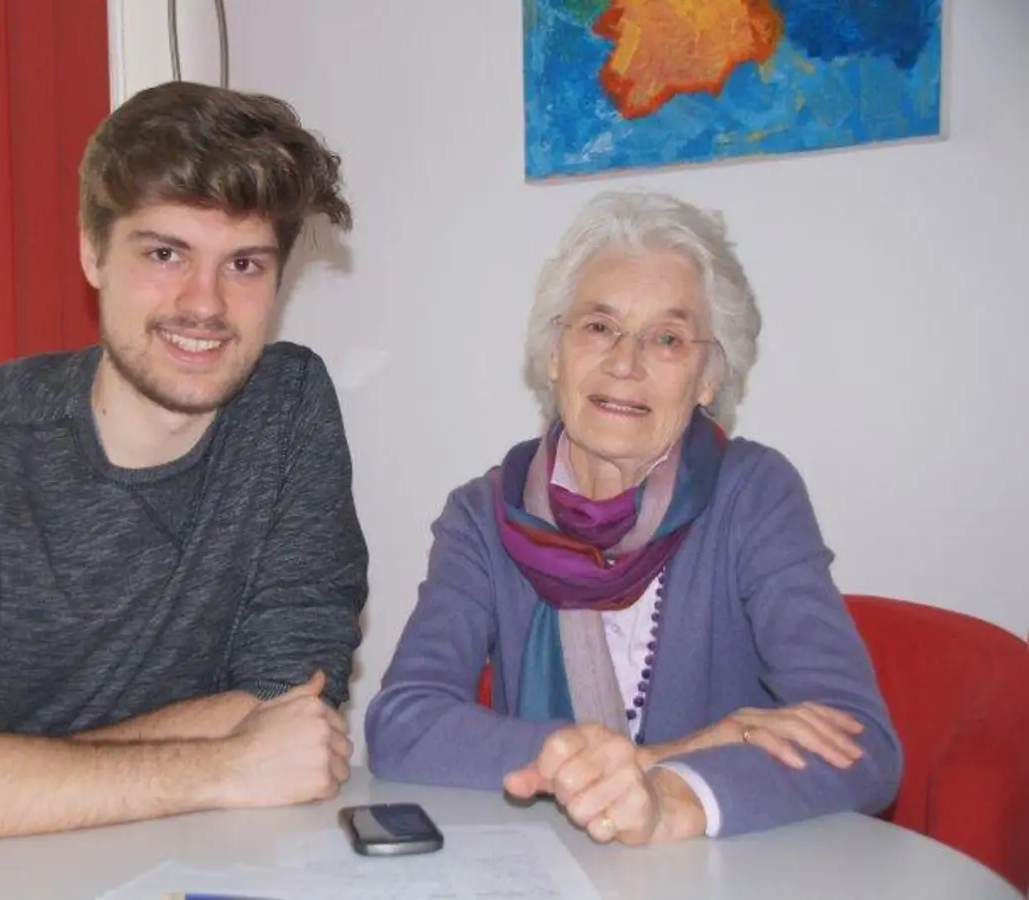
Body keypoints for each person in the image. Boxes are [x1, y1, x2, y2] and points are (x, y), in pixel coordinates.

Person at [0, 82, 369, 899]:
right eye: (164, 254)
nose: (204, 304)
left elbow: (292, 710)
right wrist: (220, 765)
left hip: (149, 872)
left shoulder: (289, 408)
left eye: (243, 264)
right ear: (93, 251)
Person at [364, 189, 901, 846]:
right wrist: (659, 757)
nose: (625, 363)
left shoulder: (755, 495)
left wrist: (671, 796)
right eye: (598, 326)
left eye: (667, 338)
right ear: (554, 353)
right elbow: (402, 725)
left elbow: (862, 745)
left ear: (708, 378)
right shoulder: (482, 516)